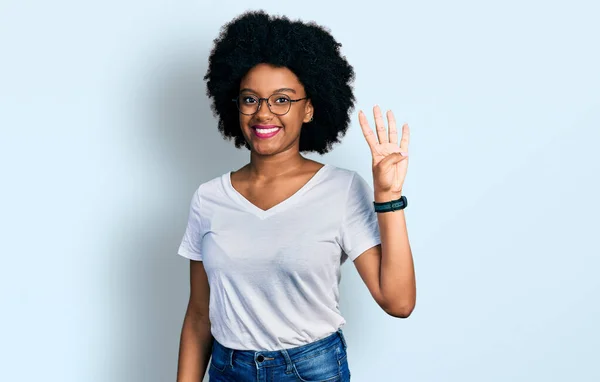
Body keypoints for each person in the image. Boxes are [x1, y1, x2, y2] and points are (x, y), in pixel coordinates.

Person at [176, 10, 416, 382]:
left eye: (282, 99)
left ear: (309, 109)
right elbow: (198, 316)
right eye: (250, 99)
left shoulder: (342, 189)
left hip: (309, 370)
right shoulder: (208, 198)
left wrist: (388, 196)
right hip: (227, 370)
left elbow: (398, 302)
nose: (264, 113)